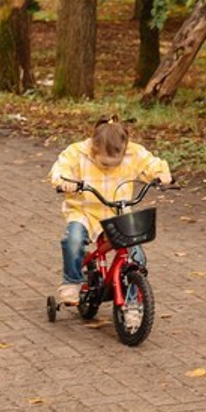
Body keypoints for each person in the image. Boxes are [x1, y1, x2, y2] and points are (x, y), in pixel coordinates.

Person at [48, 116, 172, 310]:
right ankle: (72, 281)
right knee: (73, 240)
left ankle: (132, 302)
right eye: (105, 164)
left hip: (117, 211)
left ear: (124, 150)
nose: (110, 166)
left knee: (137, 257)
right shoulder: (78, 152)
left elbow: (151, 164)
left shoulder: (133, 152)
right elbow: (61, 168)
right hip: (85, 211)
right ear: (93, 149)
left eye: (116, 163)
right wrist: (65, 181)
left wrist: (162, 175)